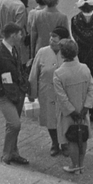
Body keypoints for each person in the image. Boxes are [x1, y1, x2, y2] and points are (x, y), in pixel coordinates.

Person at [0, 22, 30, 165]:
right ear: (13, 35)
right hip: (6, 95)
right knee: (15, 124)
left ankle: (13, 152)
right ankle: (6, 154)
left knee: (12, 124)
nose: (21, 36)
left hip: (17, 93)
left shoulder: (14, 49)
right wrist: (1, 92)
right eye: (19, 34)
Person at [53, 38, 93, 174]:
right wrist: (85, 109)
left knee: (70, 138)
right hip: (82, 109)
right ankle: (81, 164)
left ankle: (74, 165)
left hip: (68, 113)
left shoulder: (59, 73)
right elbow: (91, 89)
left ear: (62, 54)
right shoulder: (84, 68)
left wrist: (72, 112)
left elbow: (62, 97)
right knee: (83, 135)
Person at [29, 25, 69, 155]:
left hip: (64, 93)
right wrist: (32, 93)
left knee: (64, 119)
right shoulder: (42, 52)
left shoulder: (69, 52)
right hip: (46, 91)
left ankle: (65, 143)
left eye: (55, 38)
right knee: (50, 119)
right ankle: (55, 143)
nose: (51, 41)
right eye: (51, 37)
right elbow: (34, 74)